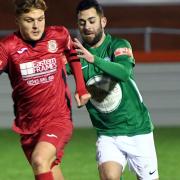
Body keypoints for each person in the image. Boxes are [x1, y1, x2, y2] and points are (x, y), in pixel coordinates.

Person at [66, 0, 159, 179]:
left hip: (137, 130)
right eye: (82, 22)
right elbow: (56, 73)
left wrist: (94, 59)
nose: (87, 27)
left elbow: (124, 72)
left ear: (103, 22)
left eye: (92, 21)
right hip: (107, 133)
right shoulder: (76, 55)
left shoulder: (117, 45)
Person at [0, 0, 91, 180]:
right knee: (46, 167)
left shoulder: (58, 35)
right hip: (28, 127)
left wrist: (81, 88)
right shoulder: (8, 47)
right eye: (29, 20)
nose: (36, 26)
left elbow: (72, 54)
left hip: (57, 118)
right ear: (18, 20)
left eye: (40, 19)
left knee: (40, 160)